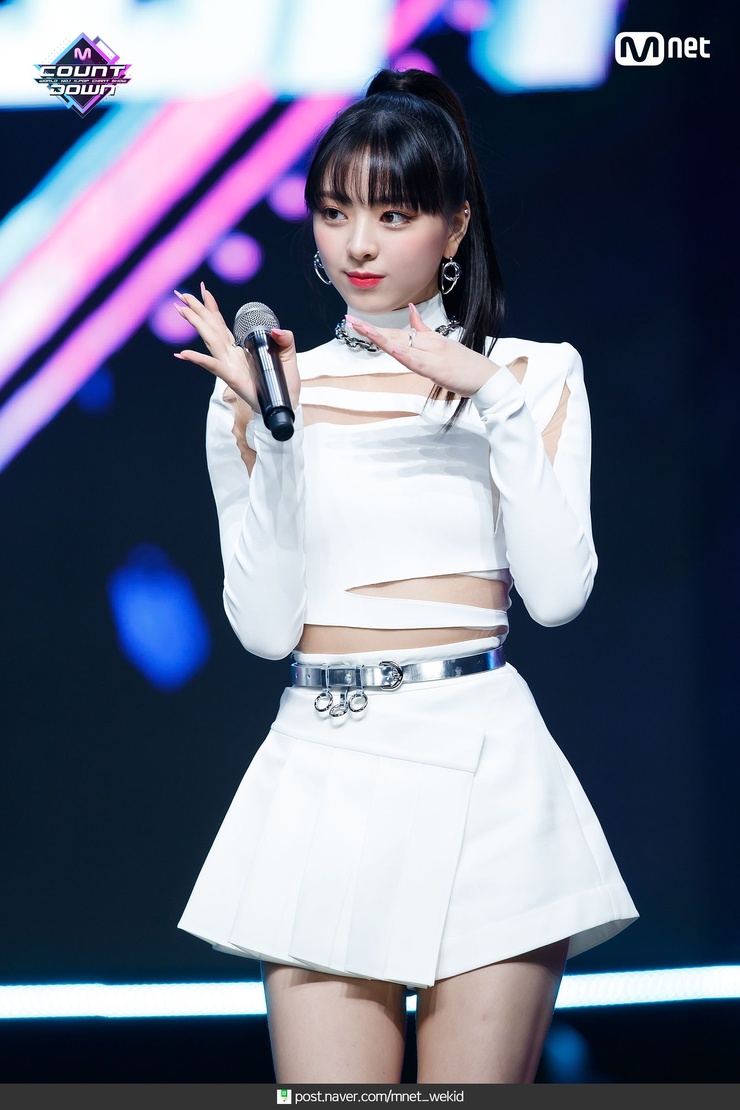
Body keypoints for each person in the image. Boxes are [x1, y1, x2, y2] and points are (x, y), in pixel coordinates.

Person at [173, 67, 638, 1084]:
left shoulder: (532, 373)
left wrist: (494, 400)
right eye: (335, 212)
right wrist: (274, 439)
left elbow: (558, 597)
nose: (360, 245)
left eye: (393, 214)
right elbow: (263, 630)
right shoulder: (264, 389)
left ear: (453, 225)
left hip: (484, 770)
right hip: (326, 766)